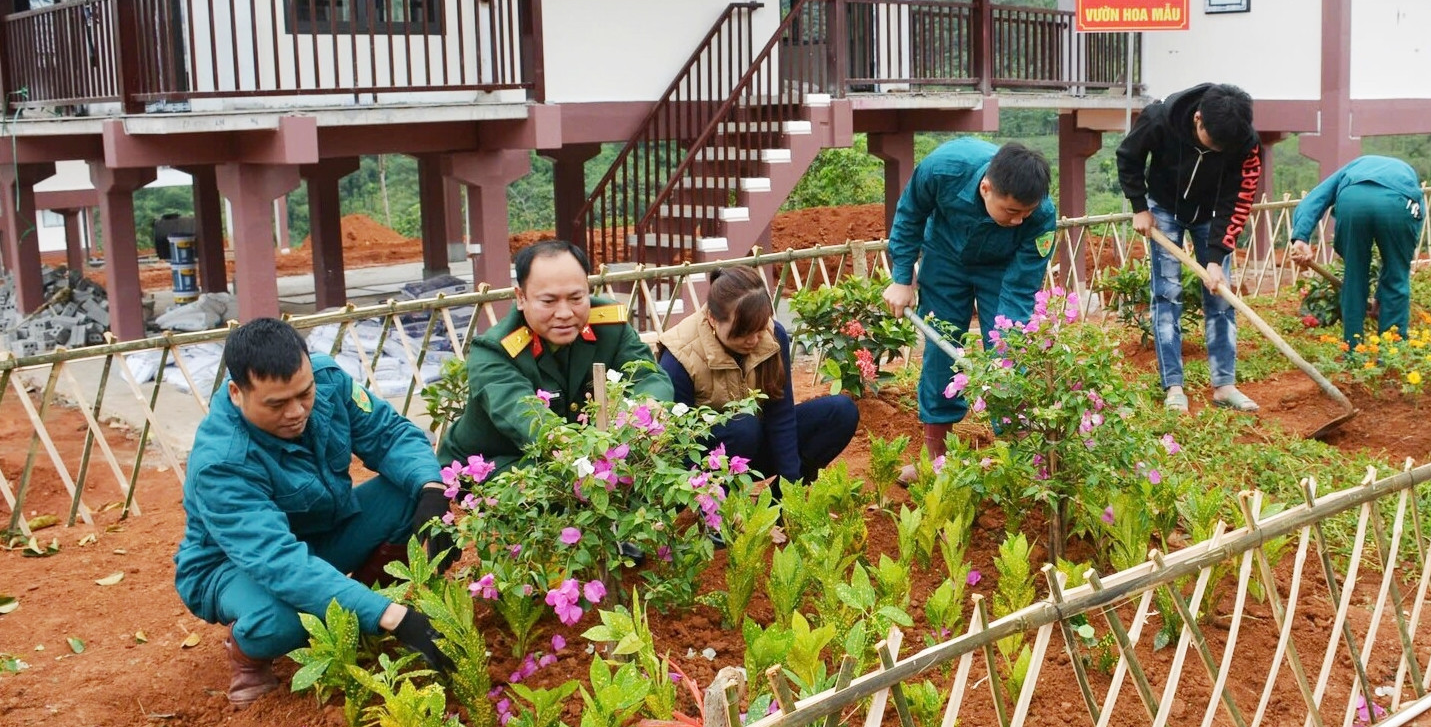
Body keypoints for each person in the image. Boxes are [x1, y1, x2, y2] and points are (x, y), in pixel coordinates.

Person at [176, 318, 456, 707]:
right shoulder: (222, 461)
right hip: (233, 565)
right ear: (237, 393)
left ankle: (360, 613)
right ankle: (248, 655)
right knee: (286, 619)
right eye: (277, 404)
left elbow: (388, 435)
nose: (296, 411)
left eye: (304, 394)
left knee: (409, 493)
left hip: (322, 530)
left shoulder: (327, 380)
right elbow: (279, 563)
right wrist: (395, 617)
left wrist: (432, 490)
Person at [882, 139, 1056, 481]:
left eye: (1027, 213)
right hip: (946, 258)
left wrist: (1007, 341)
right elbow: (910, 213)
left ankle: (1017, 461)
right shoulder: (943, 168)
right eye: (1011, 211)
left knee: (1009, 355)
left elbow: (1021, 286)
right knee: (941, 350)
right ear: (986, 187)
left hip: (1003, 270)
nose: (1020, 220)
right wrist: (903, 277)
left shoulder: (1041, 215)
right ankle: (937, 460)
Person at [439, 240, 673, 470]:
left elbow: (648, 377)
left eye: (576, 298)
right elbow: (528, 421)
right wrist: (591, 454)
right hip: (497, 462)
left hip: (579, 460)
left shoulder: (610, 327)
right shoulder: (494, 351)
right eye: (549, 301)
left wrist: (645, 410)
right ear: (521, 298)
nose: (564, 313)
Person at [1115, 82, 1263, 413]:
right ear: (1198, 119)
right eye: (1214, 143)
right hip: (1164, 209)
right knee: (1166, 296)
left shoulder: (1245, 143)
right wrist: (1140, 206)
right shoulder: (1160, 118)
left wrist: (1216, 257)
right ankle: (1174, 388)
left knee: (1220, 297)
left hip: (1212, 214)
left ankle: (1224, 386)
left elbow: (1238, 200)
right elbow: (1128, 156)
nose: (1221, 150)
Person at [659, 267, 859, 486]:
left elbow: (780, 414)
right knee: (744, 426)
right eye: (742, 333)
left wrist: (789, 486)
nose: (753, 340)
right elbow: (677, 445)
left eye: (759, 329)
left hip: (754, 449)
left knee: (840, 412)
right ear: (713, 319)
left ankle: (780, 504)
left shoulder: (773, 336)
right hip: (704, 464)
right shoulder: (680, 356)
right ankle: (723, 508)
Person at [1289, 156, 1425, 348]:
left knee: (1354, 275)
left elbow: (1315, 198)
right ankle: (1392, 353)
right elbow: (1403, 254)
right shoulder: (1409, 179)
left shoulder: (1352, 167)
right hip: (1398, 201)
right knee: (1397, 276)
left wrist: (1300, 237)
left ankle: (1353, 348)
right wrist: (1383, 296)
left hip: (1353, 200)